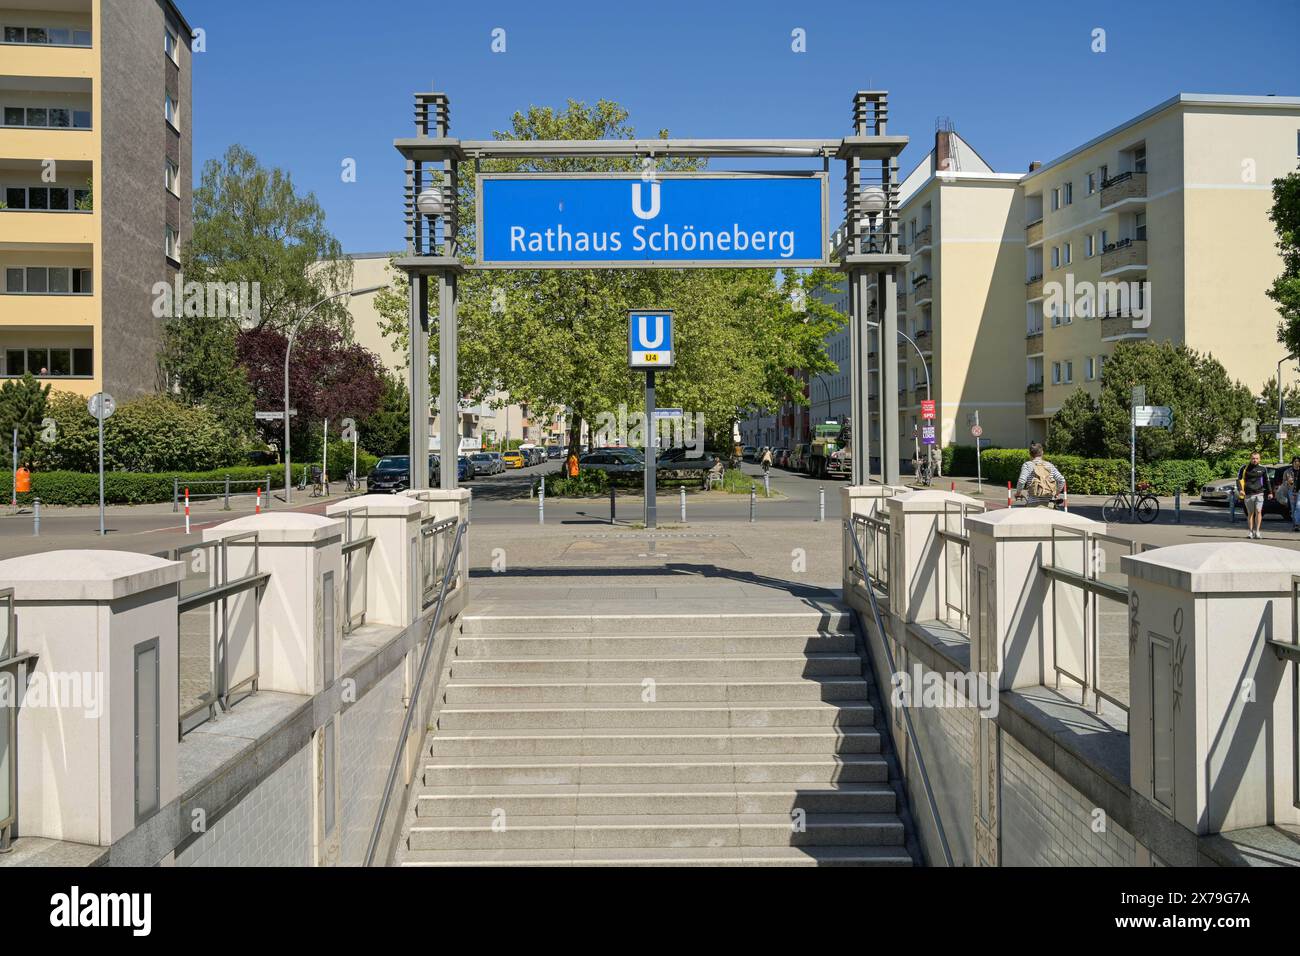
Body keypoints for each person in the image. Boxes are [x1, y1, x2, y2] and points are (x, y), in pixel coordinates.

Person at [1014, 441, 1064, 506]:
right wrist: (1057, 493)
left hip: (1033, 504)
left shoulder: (1027, 465)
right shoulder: (1050, 465)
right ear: (1042, 452)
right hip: (1049, 504)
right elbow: (1061, 480)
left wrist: (1018, 493)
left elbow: (1022, 480)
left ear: (1030, 454)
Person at [1238, 451, 1270, 539]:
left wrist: (1270, 492)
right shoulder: (1244, 468)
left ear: (1259, 459)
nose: (1255, 460)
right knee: (1250, 513)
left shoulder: (1263, 468)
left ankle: (1258, 531)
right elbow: (1239, 480)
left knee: (1258, 511)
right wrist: (1241, 490)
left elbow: (1267, 481)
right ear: (1250, 458)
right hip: (1248, 494)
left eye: (1256, 458)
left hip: (1259, 493)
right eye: (1253, 458)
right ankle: (1251, 532)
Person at [1277, 456, 1300, 532]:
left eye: (1298, 461)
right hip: (1291, 491)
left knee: (1298, 507)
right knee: (1293, 508)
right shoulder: (1287, 471)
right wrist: (1288, 482)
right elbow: (1284, 482)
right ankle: (1295, 525)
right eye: (1295, 461)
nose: (1297, 463)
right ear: (1292, 462)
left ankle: (1297, 524)